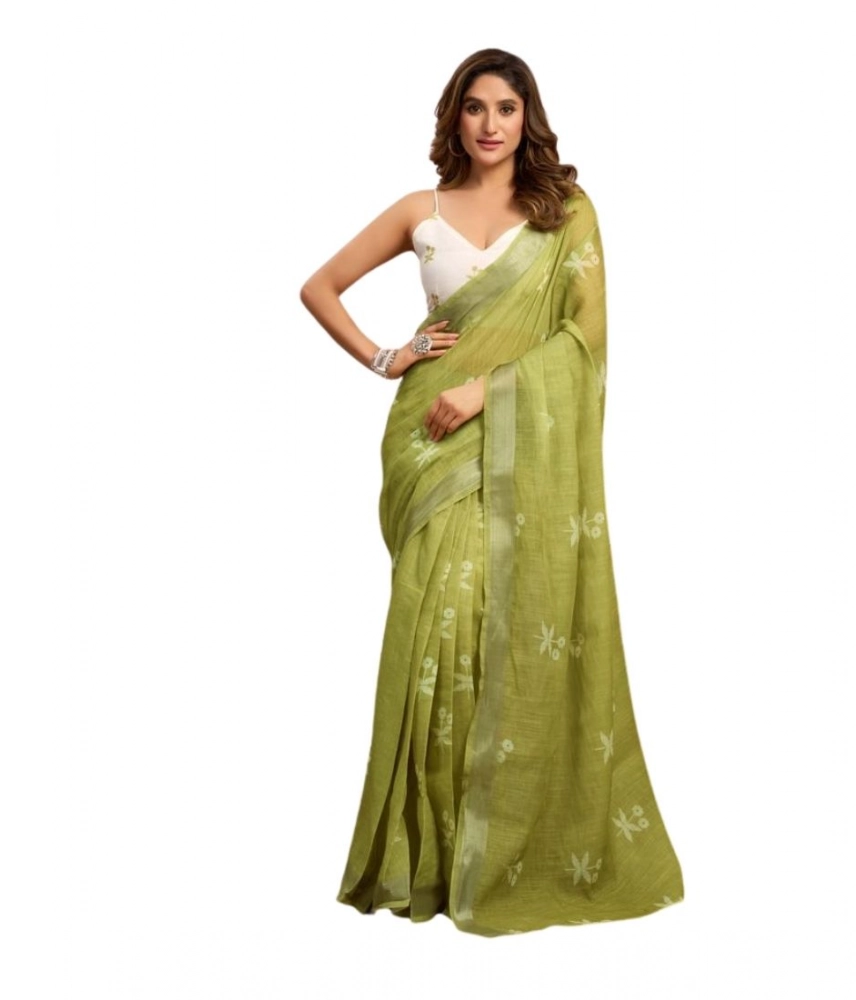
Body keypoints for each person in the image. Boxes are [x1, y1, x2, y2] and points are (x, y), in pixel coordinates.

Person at [299, 48, 684, 936]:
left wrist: (489, 391)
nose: (490, 124)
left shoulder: (565, 215)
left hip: (503, 433)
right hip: (429, 445)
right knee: (433, 629)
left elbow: (585, 340)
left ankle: (500, 846)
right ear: (455, 117)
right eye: (474, 107)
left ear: (527, 118)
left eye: (506, 108)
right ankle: (429, 858)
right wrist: (388, 357)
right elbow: (318, 288)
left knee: (494, 622)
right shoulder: (420, 211)